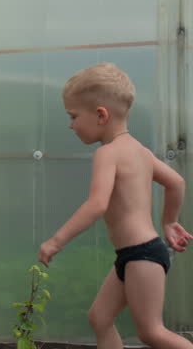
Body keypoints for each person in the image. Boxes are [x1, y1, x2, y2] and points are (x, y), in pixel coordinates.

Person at [39, 62, 192, 349]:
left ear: (100, 115)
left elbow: (97, 204)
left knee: (152, 332)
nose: (70, 125)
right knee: (100, 318)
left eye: (73, 116)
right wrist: (169, 222)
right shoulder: (140, 151)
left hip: (141, 255)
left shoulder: (108, 154)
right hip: (135, 255)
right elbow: (176, 183)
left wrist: (56, 241)